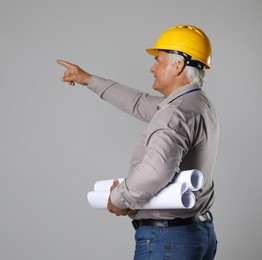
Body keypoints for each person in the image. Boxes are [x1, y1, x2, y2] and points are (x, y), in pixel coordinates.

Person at [57, 25, 218, 259]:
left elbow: (156, 171)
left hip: (168, 241)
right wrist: (88, 80)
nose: (152, 68)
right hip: (199, 233)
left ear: (178, 65)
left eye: (158, 60)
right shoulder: (198, 103)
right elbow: (139, 103)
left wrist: (120, 198)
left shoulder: (175, 113)